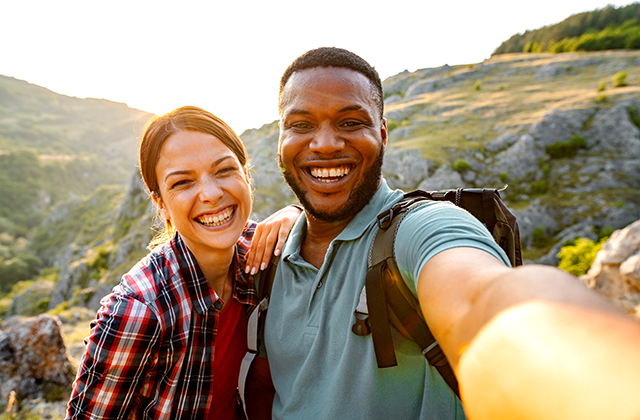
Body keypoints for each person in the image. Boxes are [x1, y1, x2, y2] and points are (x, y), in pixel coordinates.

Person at [256, 47, 640, 420]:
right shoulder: (264, 258)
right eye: (301, 124)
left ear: (383, 134)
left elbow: (483, 300)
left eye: (351, 122)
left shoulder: (421, 228)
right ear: (281, 137)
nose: (324, 143)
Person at [66, 106, 301, 419]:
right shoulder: (139, 310)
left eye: (224, 171)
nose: (210, 194)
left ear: (246, 174)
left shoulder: (257, 250)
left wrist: (297, 214)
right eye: (182, 183)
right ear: (160, 203)